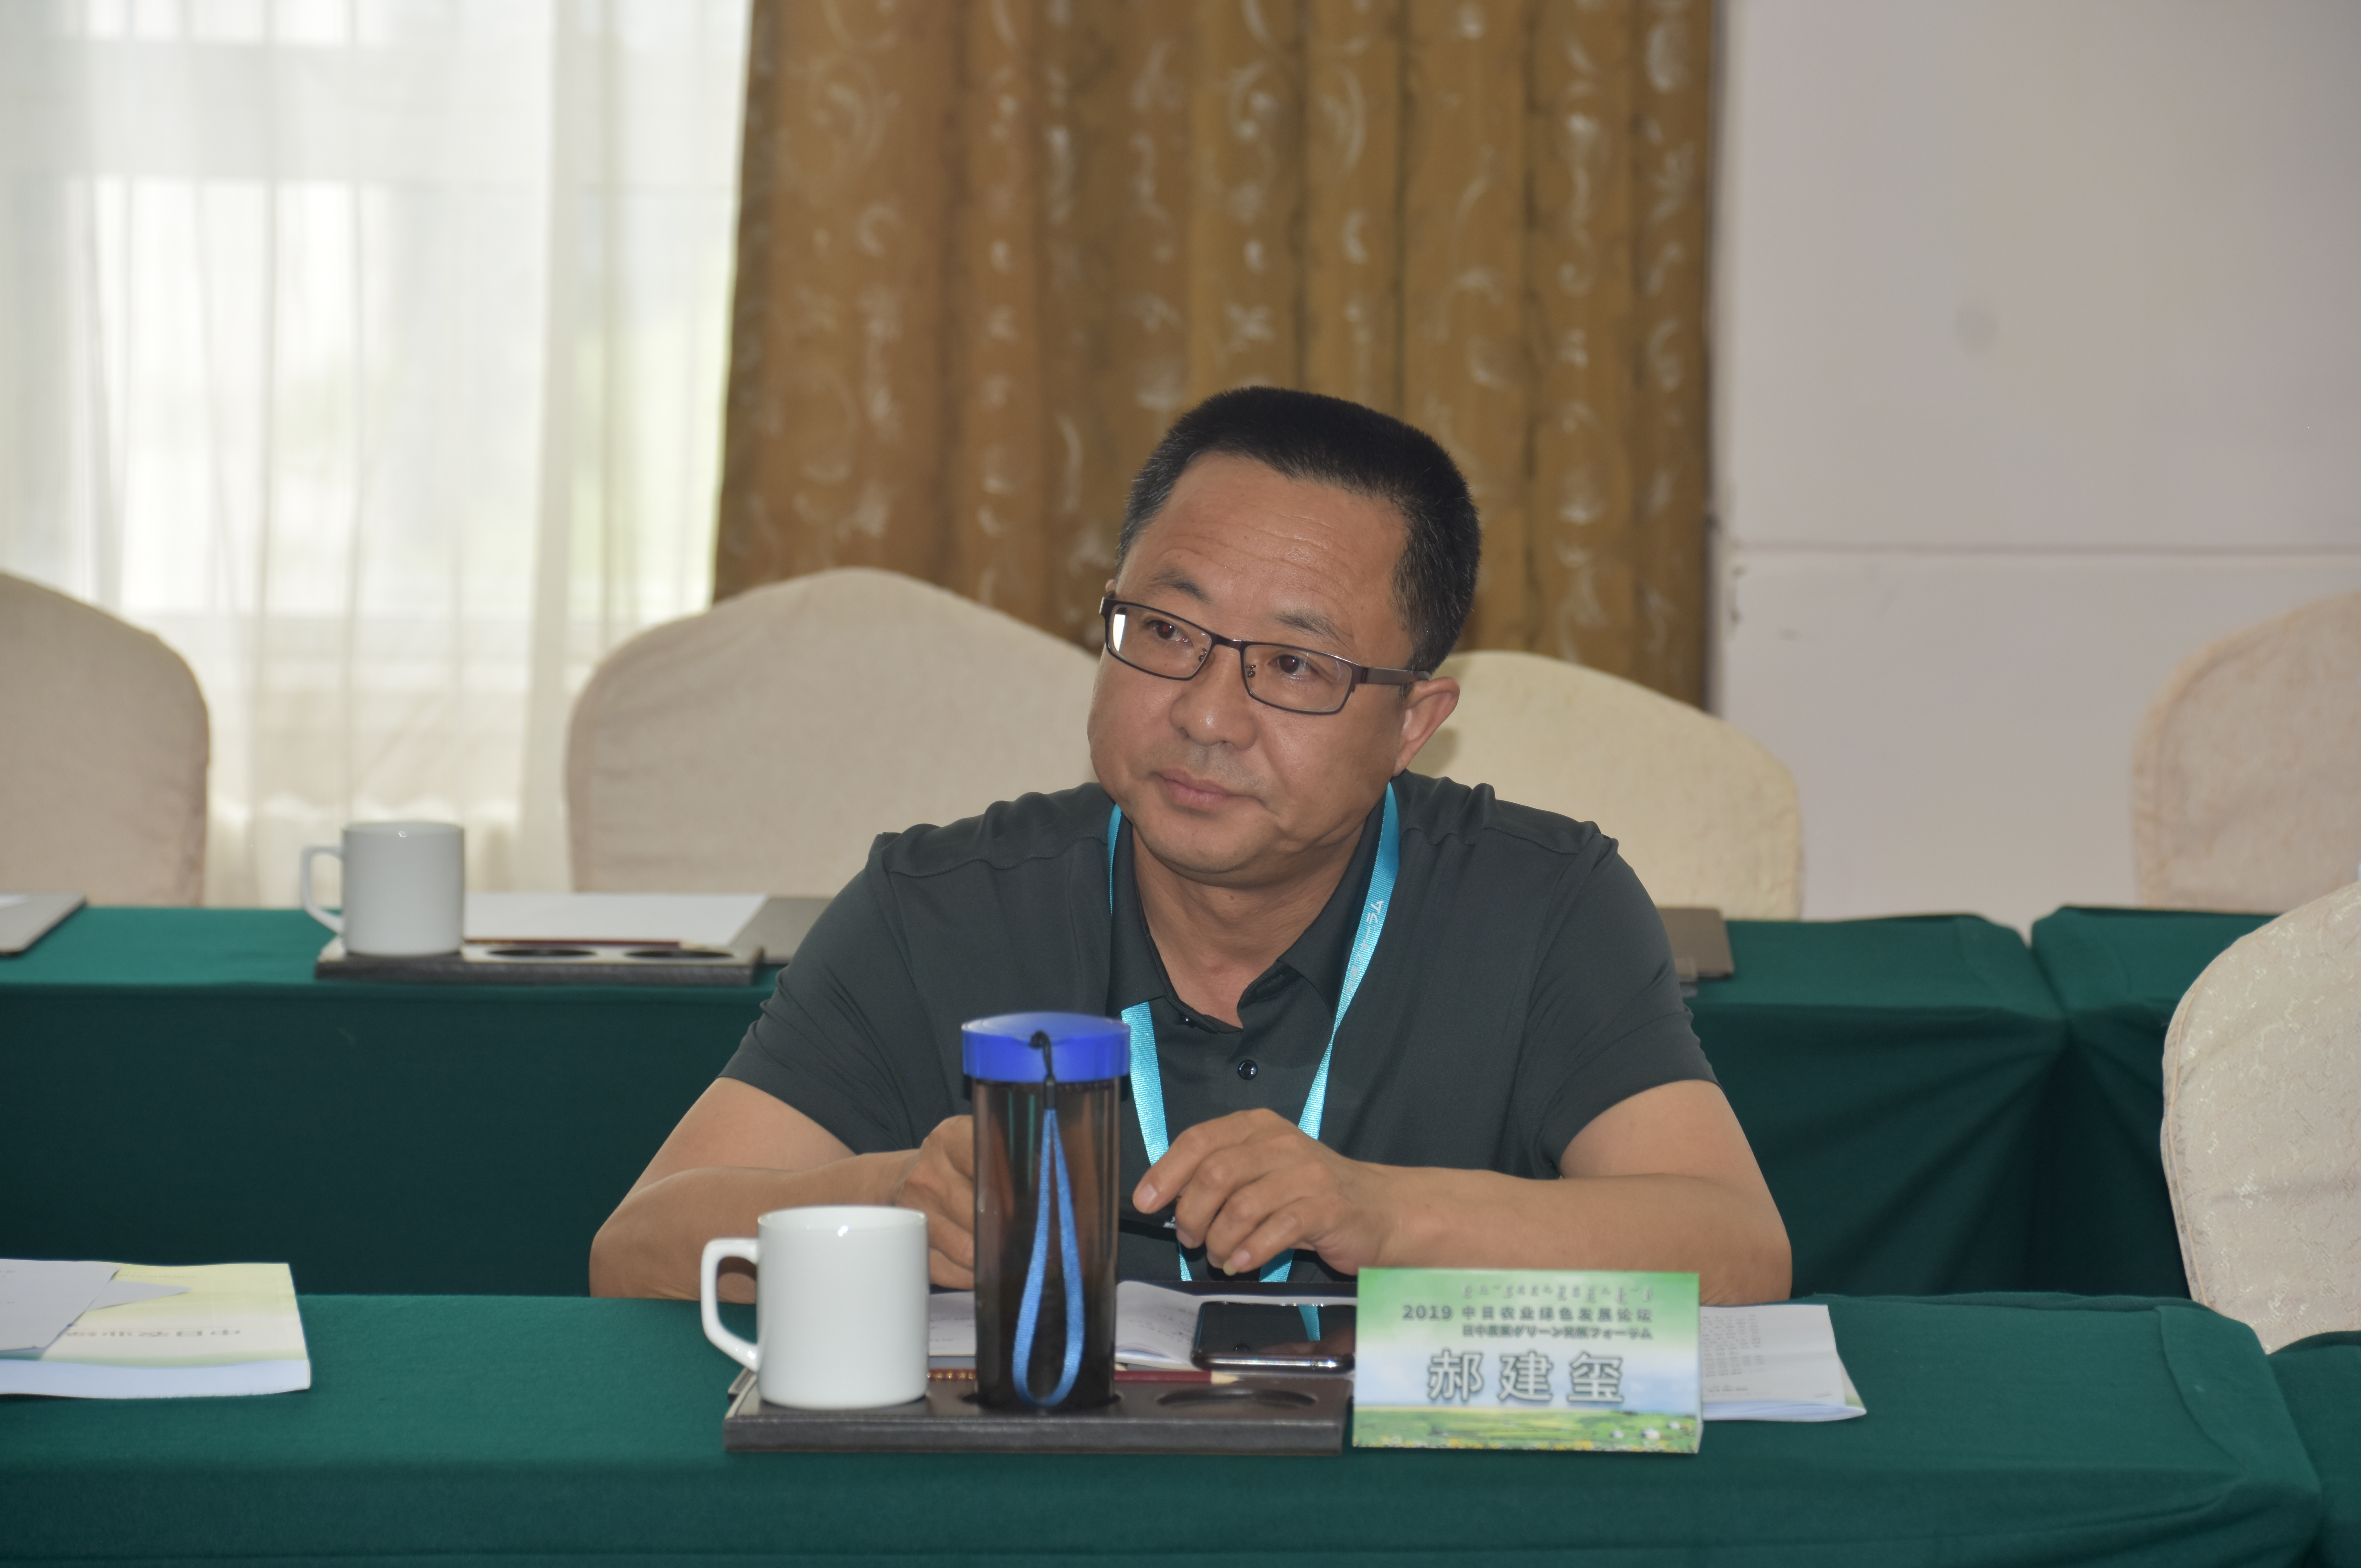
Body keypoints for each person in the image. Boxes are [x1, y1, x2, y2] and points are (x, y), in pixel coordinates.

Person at [589, 387, 1790, 1305]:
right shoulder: (937, 908)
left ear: (1413, 724)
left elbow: (1736, 1246)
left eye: (1296, 666)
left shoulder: (1544, 905)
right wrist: (878, 1202)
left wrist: (1387, 1216)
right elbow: (635, 1246)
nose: (1208, 716)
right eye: (1167, 631)